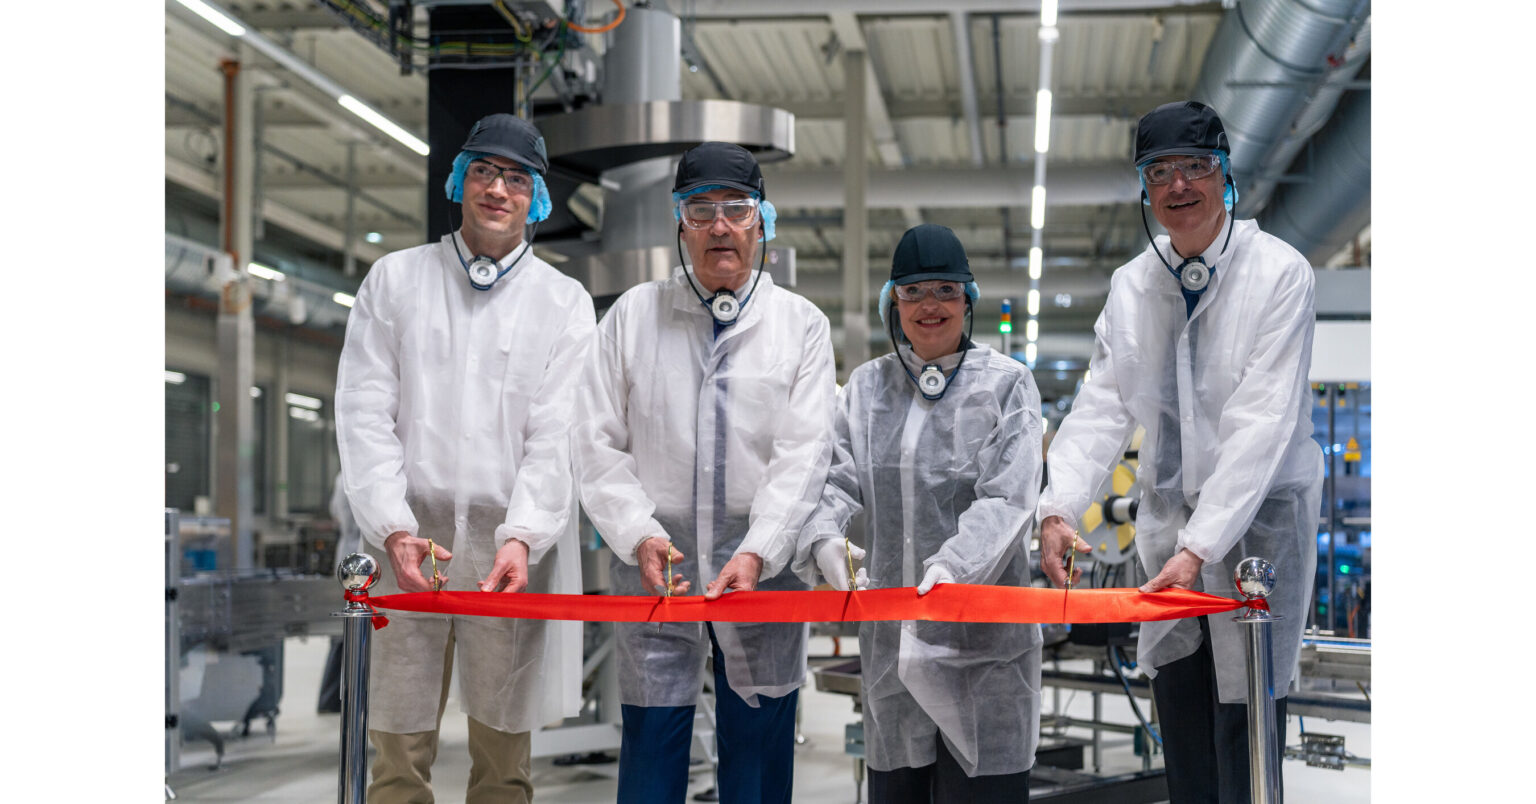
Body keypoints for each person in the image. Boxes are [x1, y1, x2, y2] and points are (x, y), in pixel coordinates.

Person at [1036, 100, 1323, 803]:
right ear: (1144, 188)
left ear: (1225, 174)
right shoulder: (1133, 286)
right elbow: (1102, 406)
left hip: (1255, 538)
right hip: (1168, 542)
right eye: (1159, 172)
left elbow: (1262, 424)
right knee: (1186, 740)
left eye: (1195, 167)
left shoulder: (1279, 273)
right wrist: (1057, 506)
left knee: (1246, 744)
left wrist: (1201, 546)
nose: (1178, 185)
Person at [335, 113, 594, 804]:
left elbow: (557, 433)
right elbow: (363, 410)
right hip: (404, 540)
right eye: (483, 171)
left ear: (536, 198)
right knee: (396, 757)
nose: (497, 189)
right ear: (458, 180)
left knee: (503, 765)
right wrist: (392, 526)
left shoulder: (562, 302)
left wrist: (523, 536)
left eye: (516, 178)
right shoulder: (396, 280)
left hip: (508, 551)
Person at [572, 141, 837, 804]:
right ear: (680, 223)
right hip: (656, 567)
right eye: (700, 209)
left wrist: (760, 548)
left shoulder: (800, 326)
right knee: (651, 758)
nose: (719, 225)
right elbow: (595, 441)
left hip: (764, 571)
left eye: (736, 208)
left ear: (761, 221)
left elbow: (804, 454)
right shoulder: (633, 316)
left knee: (757, 769)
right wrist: (638, 533)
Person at [796, 224, 1044, 803]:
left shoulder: (1008, 386)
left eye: (945, 290)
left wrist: (954, 567)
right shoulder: (866, 388)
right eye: (913, 292)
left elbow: (1007, 498)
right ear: (893, 302)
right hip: (892, 655)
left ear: (968, 299)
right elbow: (834, 478)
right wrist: (825, 538)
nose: (929, 305)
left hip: (985, 655)